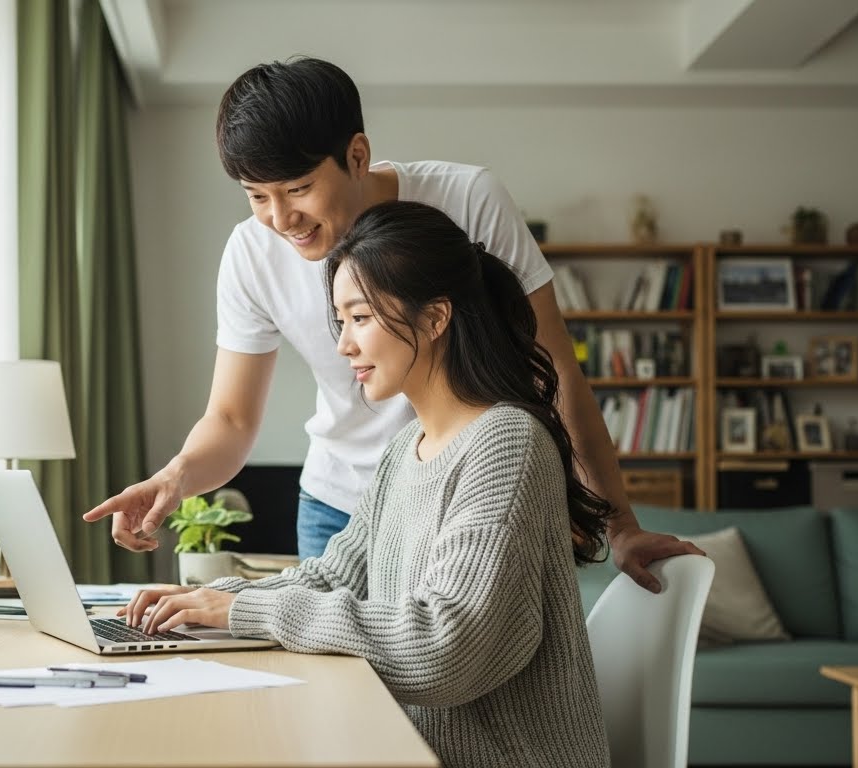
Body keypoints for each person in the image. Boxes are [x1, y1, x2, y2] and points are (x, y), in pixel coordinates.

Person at [83, 56, 699, 589]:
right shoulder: (251, 253)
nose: (280, 218)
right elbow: (232, 419)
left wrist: (619, 525)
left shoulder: (467, 202)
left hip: (469, 494)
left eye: (298, 188)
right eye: (256, 195)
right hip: (340, 508)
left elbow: (556, 370)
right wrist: (174, 478)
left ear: (357, 154)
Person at [122, 201, 611, 767]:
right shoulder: (405, 449)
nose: (343, 346)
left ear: (435, 318)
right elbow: (335, 577)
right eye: (341, 321)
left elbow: (445, 646)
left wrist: (242, 615)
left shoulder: (505, 443)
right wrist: (211, 602)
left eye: (361, 318)